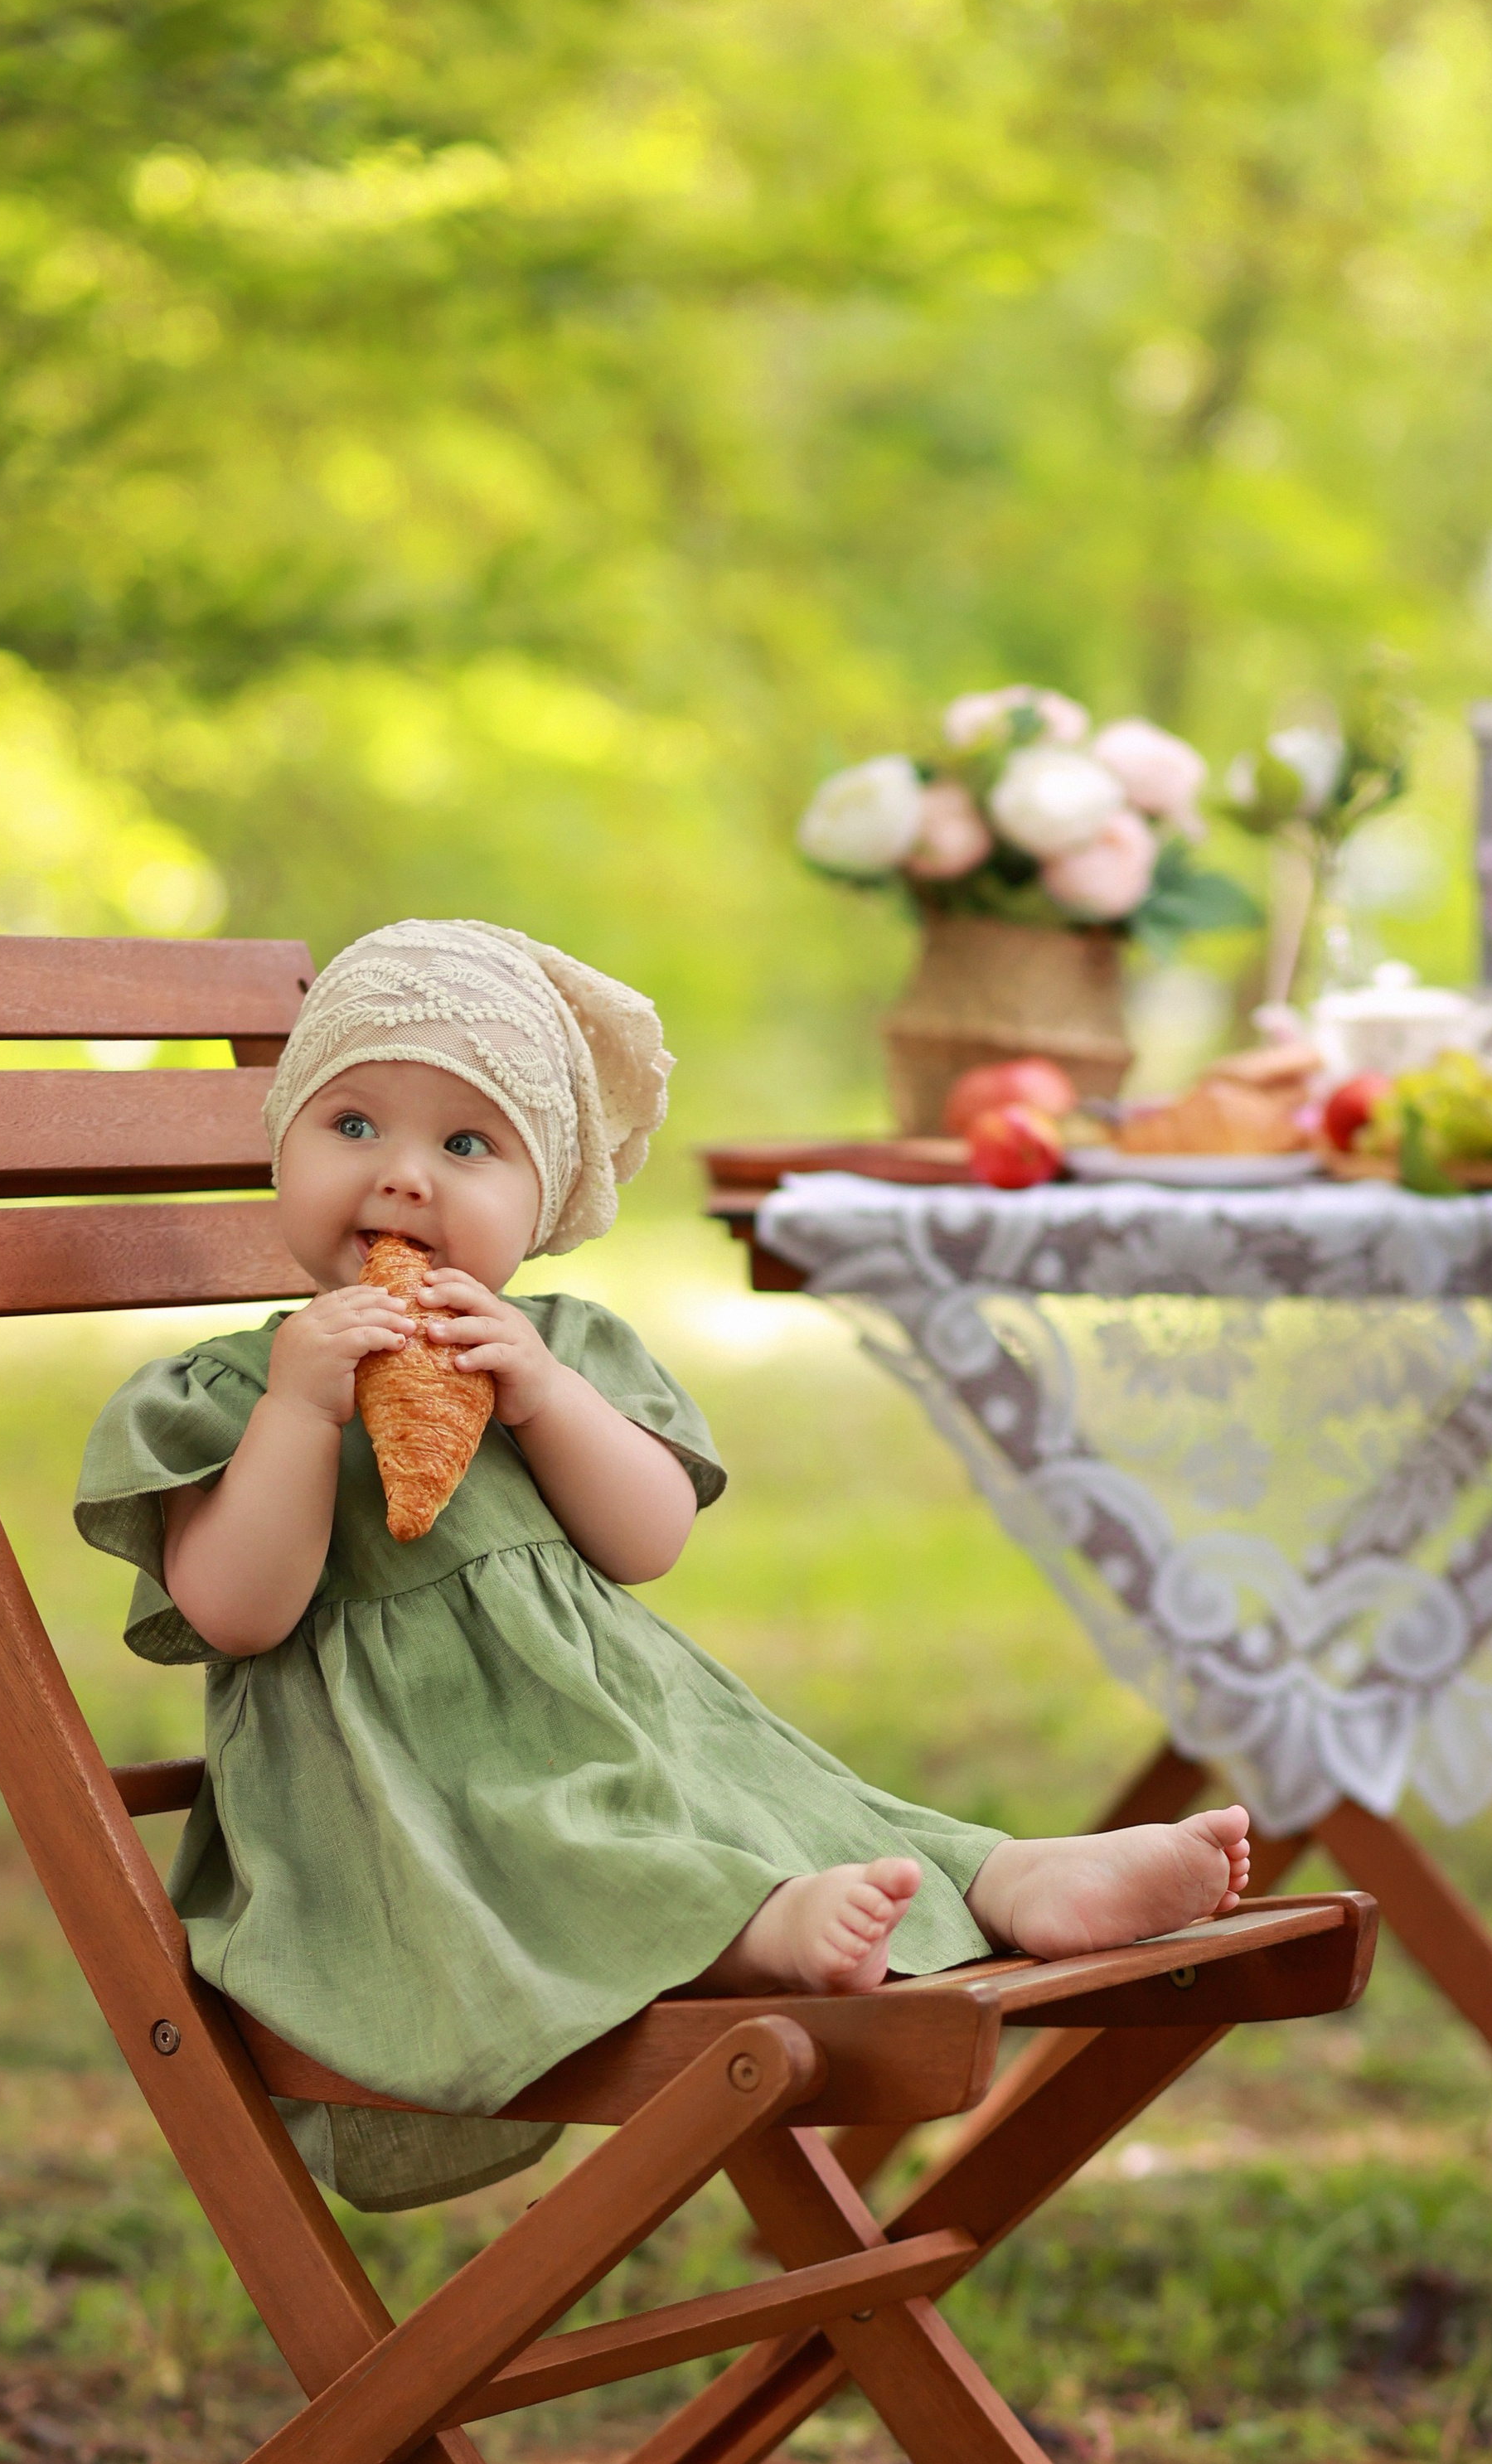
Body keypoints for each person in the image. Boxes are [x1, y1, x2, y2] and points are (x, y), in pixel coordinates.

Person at [77, 918, 1248, 2210]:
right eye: (351, 1124)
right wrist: (301, 1413)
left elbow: (647, 1542)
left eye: (466, 1145)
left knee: (786, 1792)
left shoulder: (559, 1350)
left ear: (547, 1201)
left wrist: (541, 1395)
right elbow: (240, 1612)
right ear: (284, 1144)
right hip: (414, 1803)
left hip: (620, 1717)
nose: (403, 1179)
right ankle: (760, 1932)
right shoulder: (223, 1391)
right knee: (593, 1845)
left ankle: (1013, 1875)